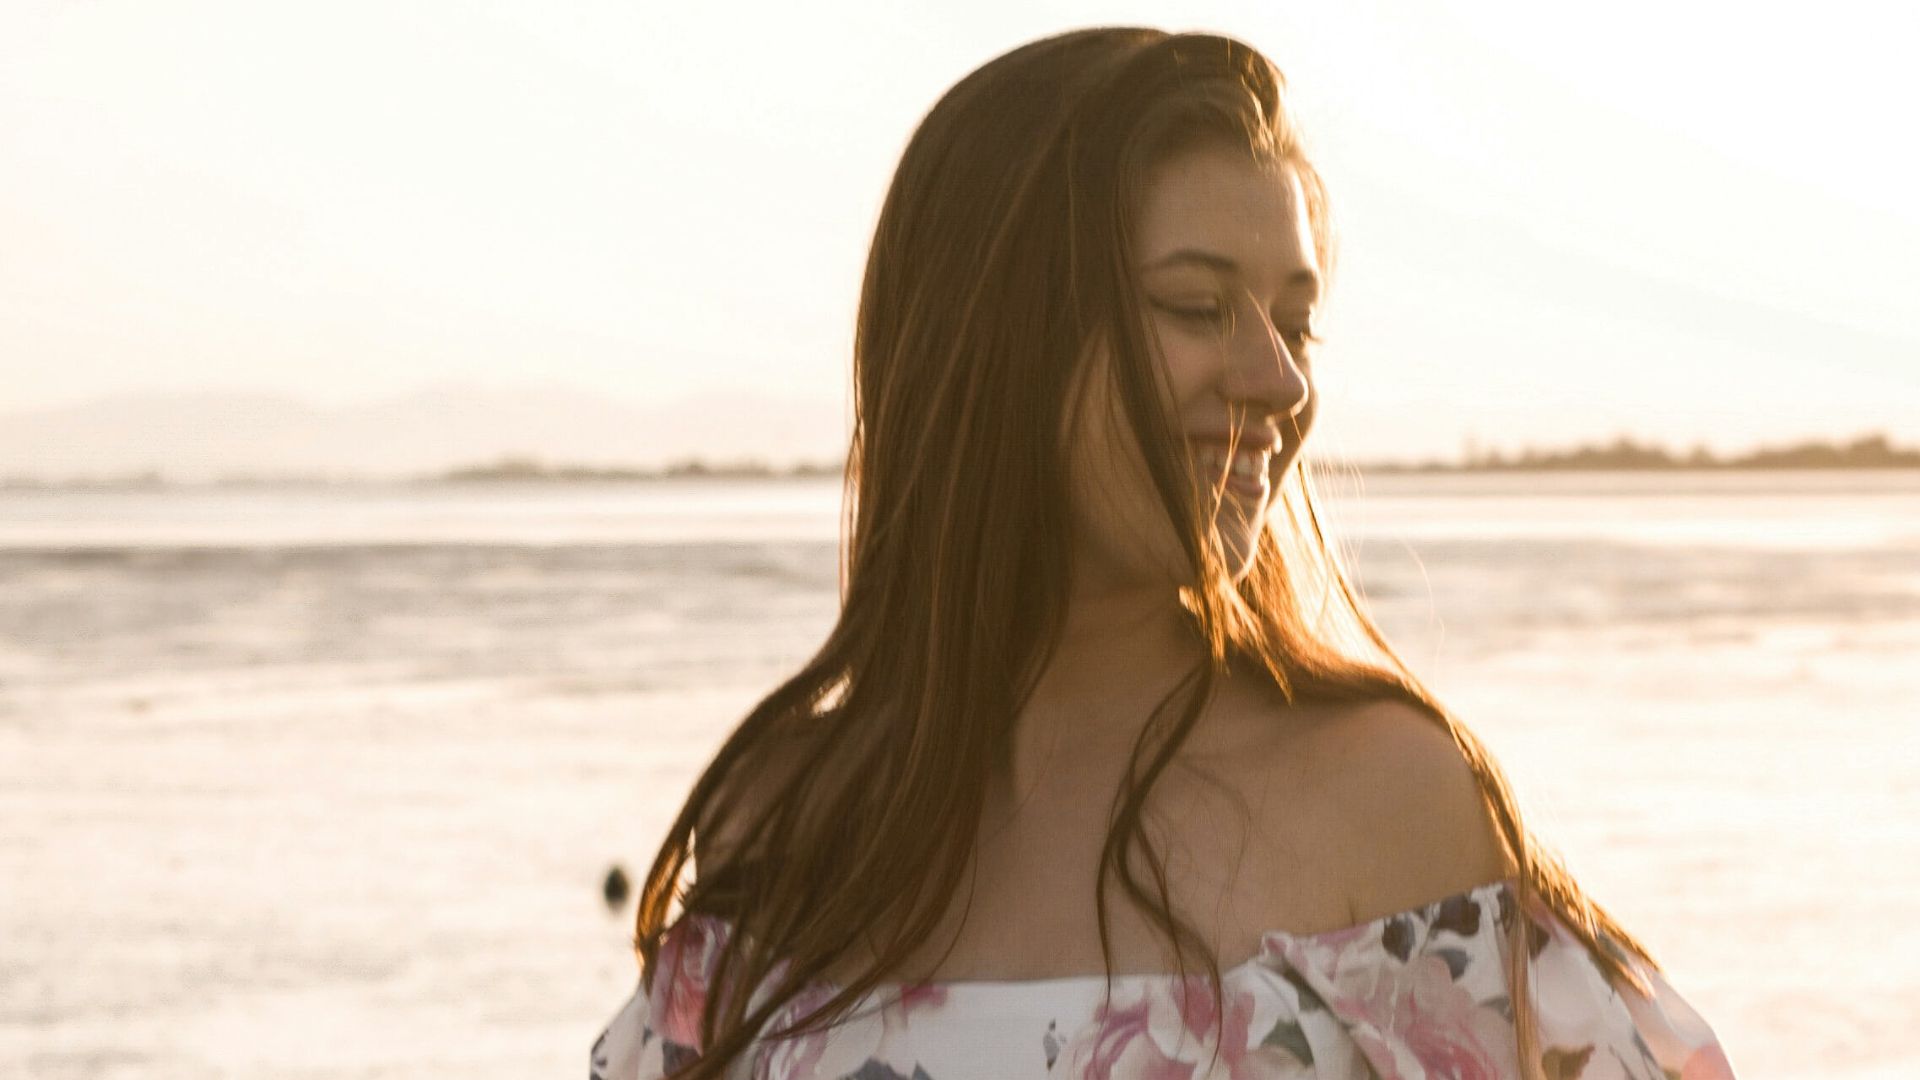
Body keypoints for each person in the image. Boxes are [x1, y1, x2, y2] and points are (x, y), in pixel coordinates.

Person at [592, 26, 1738, 1080]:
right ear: (999, 343)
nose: (1280, 383)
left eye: (1295, 323)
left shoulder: (1386, 807)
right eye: (1199, 309)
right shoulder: (783, 825)